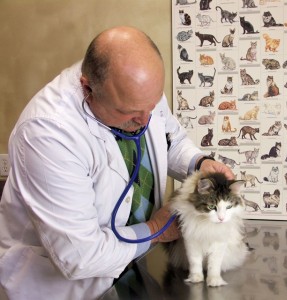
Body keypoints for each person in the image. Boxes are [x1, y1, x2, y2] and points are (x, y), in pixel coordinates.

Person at [0, 26, 234, 300]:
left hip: (129, 270)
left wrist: (199, 162)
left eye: (153, 105)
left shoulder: (139, 92)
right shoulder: (47, 133)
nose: (145, 120)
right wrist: (155, 230)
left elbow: (171, 139)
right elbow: (81, 256)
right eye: (130, 112)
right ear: (88, 88)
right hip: (68, 290)